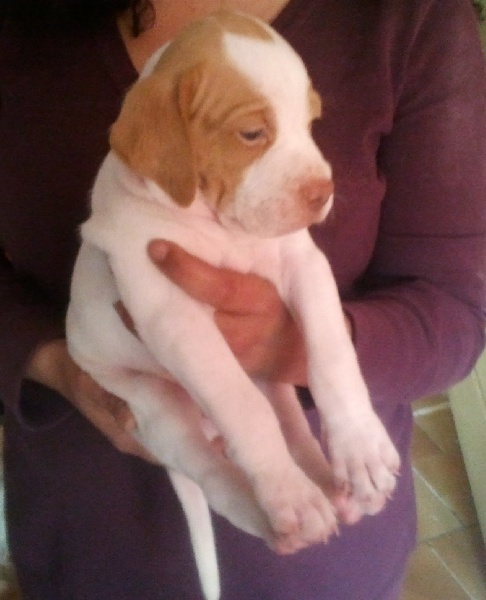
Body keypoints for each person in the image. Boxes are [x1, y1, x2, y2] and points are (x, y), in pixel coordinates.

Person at [1, 0, 485, 598]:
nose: (318, 176)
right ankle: (242, 488)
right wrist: (55, 368)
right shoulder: (139, 192)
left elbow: (430, 302)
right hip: (96, 488)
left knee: (274, 391)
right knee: (176, 420)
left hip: (328, 579)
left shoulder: (415, 19)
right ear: (166, 143)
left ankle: (305, 478)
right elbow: (173, 329)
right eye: (253, 133)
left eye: (307, 123)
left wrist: (338, 401)